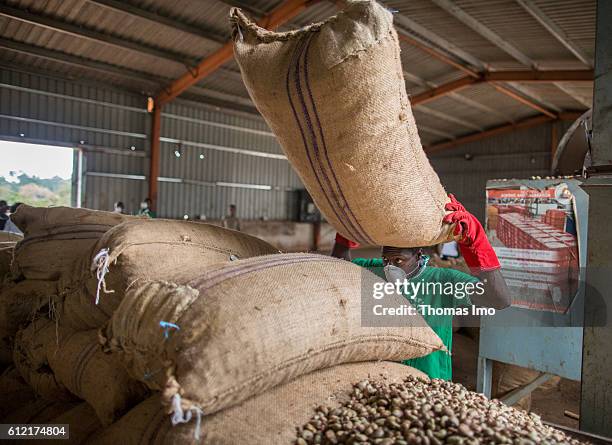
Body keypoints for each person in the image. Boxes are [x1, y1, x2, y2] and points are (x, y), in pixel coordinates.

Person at [331, 194, 511, 380]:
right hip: (383, 375)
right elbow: (339, 267)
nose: (390, 267)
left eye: (399, 260)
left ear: (418, 256)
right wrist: (345, 237)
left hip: (429, 376)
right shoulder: (378, 270)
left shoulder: (443, 280)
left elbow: (499, 300)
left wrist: (477, 244)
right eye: (386, 259)